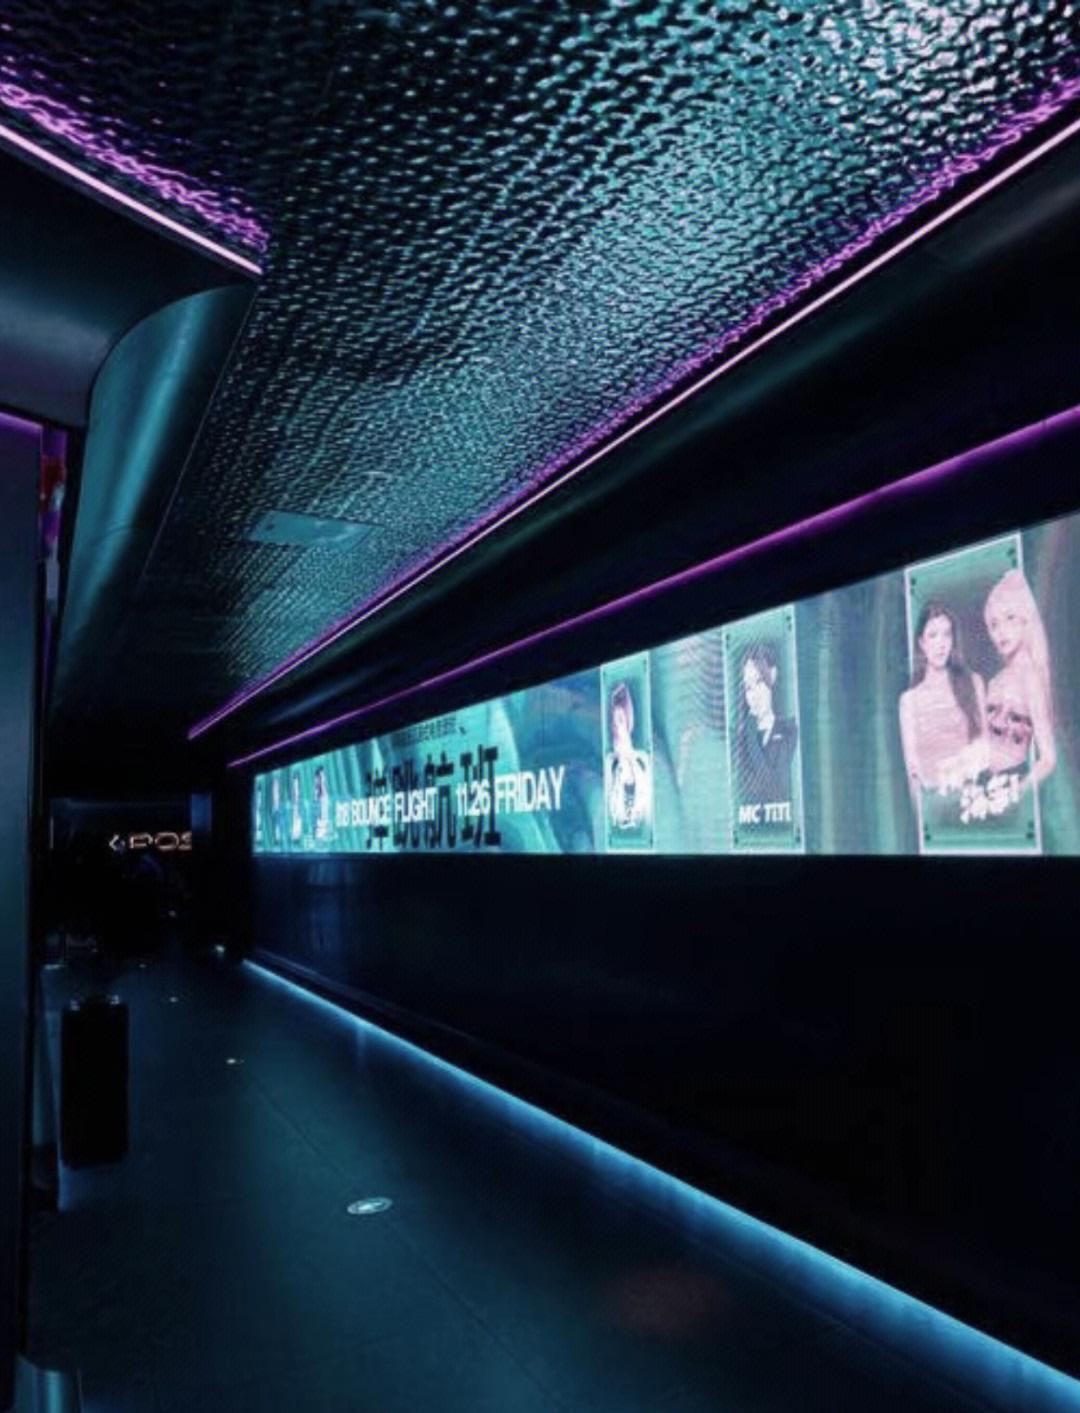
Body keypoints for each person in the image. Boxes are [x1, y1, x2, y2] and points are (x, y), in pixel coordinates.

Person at [899, 602, 986, 799]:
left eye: (947, 634)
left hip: (971, 799)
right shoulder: (909, 701)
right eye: (933, 635)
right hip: (932, 803)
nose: (941, 644)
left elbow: (985, 746)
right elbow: (912, 770)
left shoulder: (973, 683)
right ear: (922, 643)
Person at [983, 568, 1056, 787]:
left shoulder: (1031, 678)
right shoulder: (995, 681)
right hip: (983, 781)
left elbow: (1048, 759)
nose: (1001, 631)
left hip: (1012, 782)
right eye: (994, 624)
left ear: (1025, 619)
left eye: (1009, 618)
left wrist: (1016, 794)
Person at [737, 643, 798, 806]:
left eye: (758, 682)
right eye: (748, 688)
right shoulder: (740, 742)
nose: (754, 695)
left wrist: (751, 735)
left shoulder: (790, 730)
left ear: (773, 675)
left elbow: (775, 789)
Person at [605, 681, 652, 832]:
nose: (619, 723)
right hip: (624, 763)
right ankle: (627, 814)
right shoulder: (617, 741)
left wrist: (622, 690)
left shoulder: (627, 729)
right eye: (617, 721)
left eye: (621, 720)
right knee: (626, 775)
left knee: (633, 778)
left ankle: (631, 813)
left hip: (630, 762)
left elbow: (628, 713)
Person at [313, 765, 332, 842]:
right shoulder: (316, 792)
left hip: (323, 822)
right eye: (320, 777)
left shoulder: (324, 792)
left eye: (323, 776)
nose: (322, 779)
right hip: (320, 822)